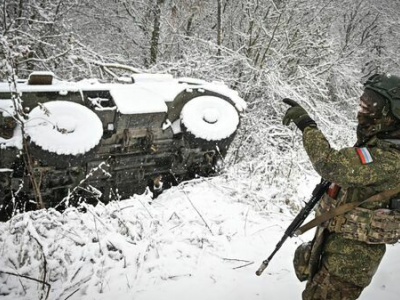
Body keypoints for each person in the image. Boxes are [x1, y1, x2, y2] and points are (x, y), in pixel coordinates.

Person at [282, 73, 400, 300]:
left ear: (391, 112)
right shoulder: (381, 143)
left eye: (370, 107)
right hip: (338, 245)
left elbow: (331, 164)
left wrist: (307, 125)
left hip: (350, 261)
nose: (362, 112)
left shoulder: (390, 158)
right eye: (362, 105)